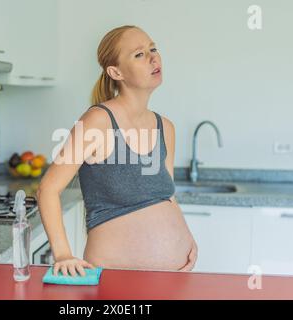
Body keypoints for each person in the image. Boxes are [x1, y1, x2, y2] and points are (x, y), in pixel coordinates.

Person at [37, 25, 197, 277]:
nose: (153, 58)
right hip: (117, 279)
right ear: (116, 72)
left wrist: (187, 238)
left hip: (175, 275)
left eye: (153, 48)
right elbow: (48, 189)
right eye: (139, 54)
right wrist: (64, 254)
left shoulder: (165, 127)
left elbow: (168, 195)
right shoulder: (98, 121)